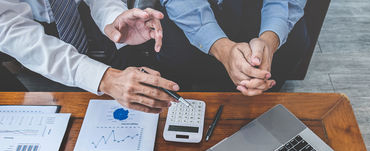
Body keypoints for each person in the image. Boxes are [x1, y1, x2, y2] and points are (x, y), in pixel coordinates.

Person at [0, 0, 180, 113]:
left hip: (89, 22)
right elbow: (13, 33)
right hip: (35, 46)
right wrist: (103, 78)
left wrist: (114, 17)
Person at [157, 0, 309, 95]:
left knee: (295, 43)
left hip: (264, 9)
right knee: (177, 58)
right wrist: (223, 49)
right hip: (190, 12)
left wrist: (269, 40)